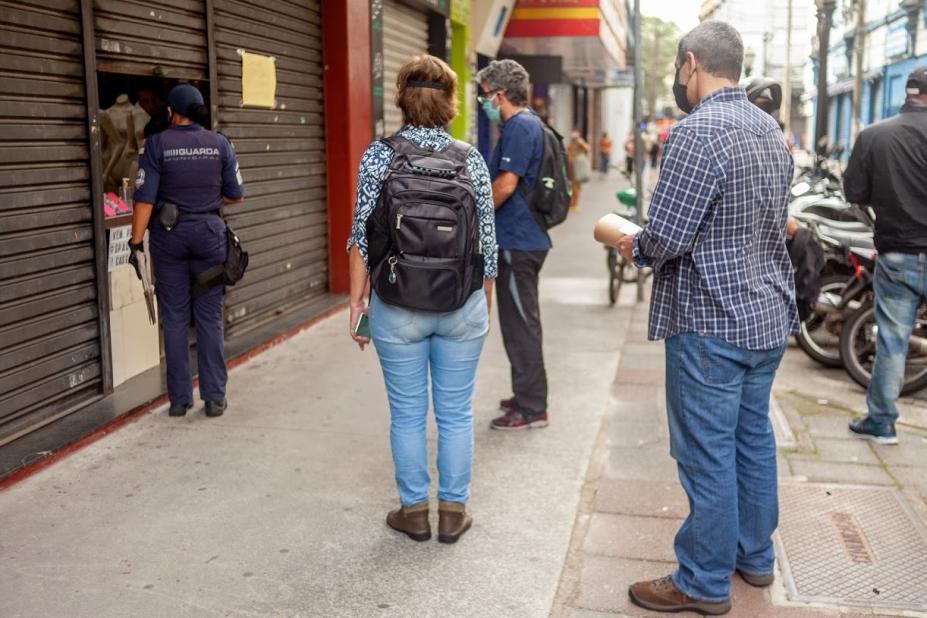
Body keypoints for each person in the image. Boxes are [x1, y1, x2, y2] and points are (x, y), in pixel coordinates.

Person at [613, 21, 797, 614]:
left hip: (711, 320)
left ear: (690, 64)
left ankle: (701, 580)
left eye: (677, 69)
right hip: (767, 315)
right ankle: (755, 558)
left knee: (708, 452)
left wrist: (633, 246)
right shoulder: (769, 128)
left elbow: (665, 235)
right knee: (752, 440)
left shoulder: (697, 132)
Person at [347, 55, 496, 544]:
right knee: (455, 413)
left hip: (397, 305)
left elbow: (360, 238)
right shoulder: (470, 159)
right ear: (451, 101)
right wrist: (482, 306)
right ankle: (452, 512)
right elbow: (487, 247)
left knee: (408, 414)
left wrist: (357, 304)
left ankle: (414, 512)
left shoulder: (379, 156)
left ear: (400, 97)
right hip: (461, 304)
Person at [128, 84, 244, 418]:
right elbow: (236, 195)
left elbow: (145, 199)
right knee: (209, 317)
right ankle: (215, 398)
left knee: (175, 317)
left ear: (170, 112)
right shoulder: (220, 143)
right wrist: (204, 204)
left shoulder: (157, 144)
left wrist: (136, 243)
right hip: (209, 235)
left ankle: (179, 400)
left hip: (170, 237)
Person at [843, 66, 927, 445]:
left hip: (897, 253)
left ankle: (882, 422)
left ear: (906, 94)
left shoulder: (875, 135)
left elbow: (854, 194)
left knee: (893, 340)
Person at [475, 59, 551, 430]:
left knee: (521, 325)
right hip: (521, 239)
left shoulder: (519, 126)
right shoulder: (528, 122)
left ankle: (532, 407)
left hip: (517, 241)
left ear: (500, 94)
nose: (483, 102)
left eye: (485, 95)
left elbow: (505, 185)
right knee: (519, 322)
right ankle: (526, 394)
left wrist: (472, 217)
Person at [567, 128, 591, 212]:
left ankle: (574, 204)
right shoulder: (572, 142)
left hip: (577, 167)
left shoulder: (579, 141)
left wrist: (580, 155)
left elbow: (587, 148)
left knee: (576, 186)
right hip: (571, 167)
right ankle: (572, 203)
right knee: (572, 186)